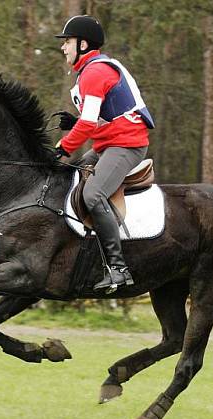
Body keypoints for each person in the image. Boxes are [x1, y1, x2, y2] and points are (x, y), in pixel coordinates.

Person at [53, 15, 154, 293]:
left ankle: (118, 268)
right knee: (71, 178)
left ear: (83, 44)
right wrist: (73, 126)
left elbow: (88, 124)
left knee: (92, 194)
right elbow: (95, 119)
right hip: (109, 144)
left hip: (126, 145)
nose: (63, 48)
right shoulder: (90, 71)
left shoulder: (94, 72)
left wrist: (65, 146)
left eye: (68, 42)